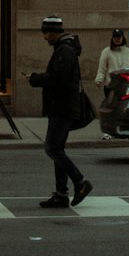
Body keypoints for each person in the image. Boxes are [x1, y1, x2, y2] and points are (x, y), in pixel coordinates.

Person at [23, 15, 93, 209]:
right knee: (57, 149)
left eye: (46, 33)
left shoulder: (64, 51)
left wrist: (35, 79)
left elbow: (57, 79)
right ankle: (61, 194)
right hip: (63, 107)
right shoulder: (64, 49)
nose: (44, 37)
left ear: (54, 32)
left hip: (63, 108)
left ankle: (80, 182)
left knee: (52, 148)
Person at [95, 27, 129, 102]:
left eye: (119, 37)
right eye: (115, 37)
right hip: (110, 85)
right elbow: (102, 68)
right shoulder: (106, 51)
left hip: (124, 84)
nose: (117, 39)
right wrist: (99, 80)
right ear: (112, 38)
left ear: (122, 38)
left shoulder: (128, 52)